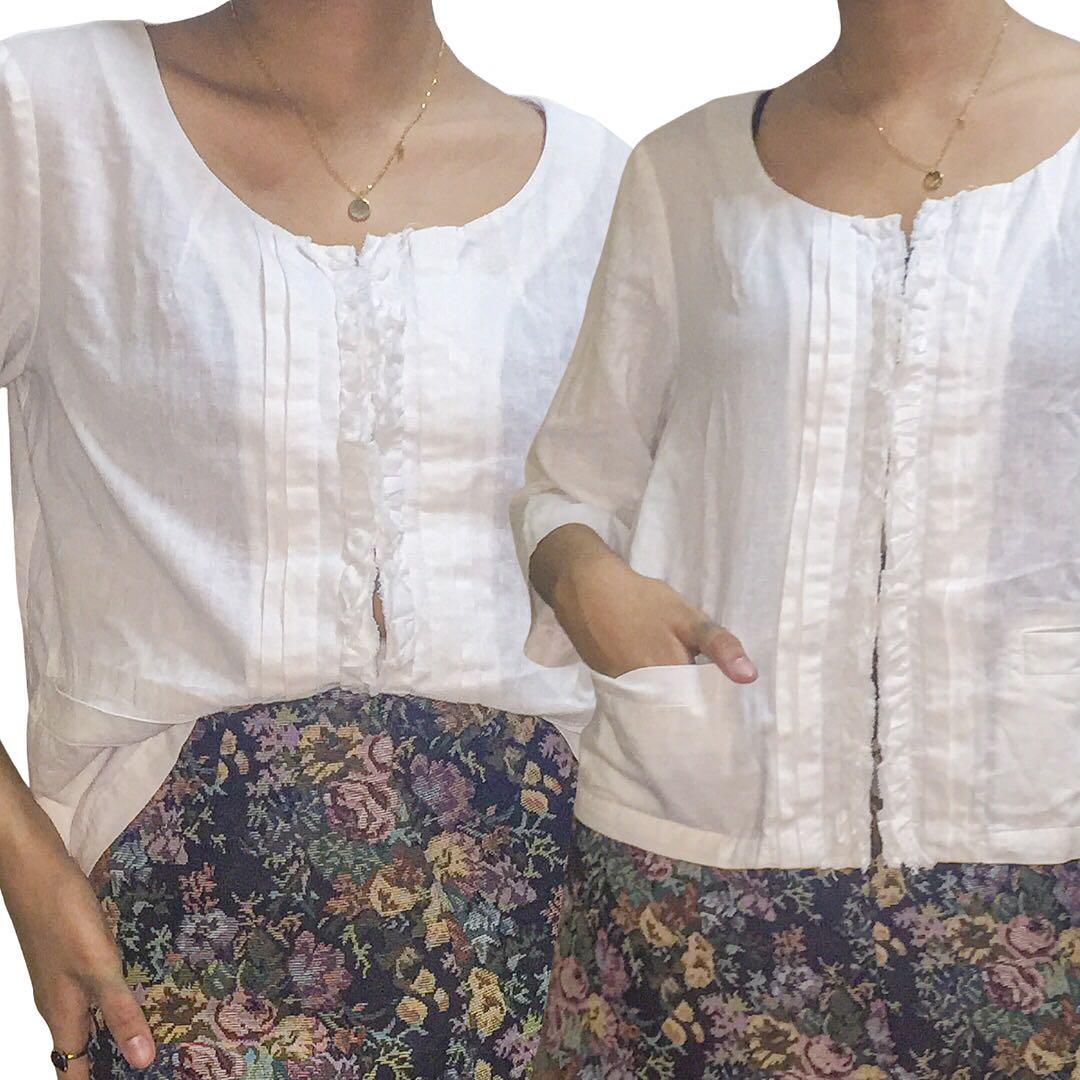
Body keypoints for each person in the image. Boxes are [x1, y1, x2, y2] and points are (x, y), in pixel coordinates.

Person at [0, 3, 628, 1076]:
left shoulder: (601, 191)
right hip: (190, 953)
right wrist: (25, 863)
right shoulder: (52, 122)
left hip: (563, 945)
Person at [511, 0, 1080, 1074]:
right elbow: (571, 484)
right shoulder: (685, 172)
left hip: (1041, 858)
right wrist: (584, 580)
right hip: (706, 867)